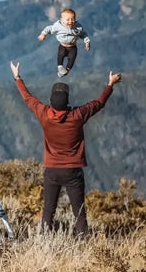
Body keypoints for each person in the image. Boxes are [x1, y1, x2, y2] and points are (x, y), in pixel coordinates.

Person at [9, 61, 122, 237]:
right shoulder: (77, 116)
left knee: (48, 211)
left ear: (51, 101)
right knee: (79, 212)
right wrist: (110, 84)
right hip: (72, 171)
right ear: (67, 101)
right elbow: (99, 103)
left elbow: (28, 98)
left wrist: (17, 77)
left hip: (52, 170)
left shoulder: (45, 114)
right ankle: (83, 242)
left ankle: (45, 242)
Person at [38, 8, 91, 78]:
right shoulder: (58, 26)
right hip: (63, 45)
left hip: (72, 47)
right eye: (68, 20)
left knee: (72, 59)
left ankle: (66, 71)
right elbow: (49, 28)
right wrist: (43, 34)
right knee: (61, 54)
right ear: (62, 20)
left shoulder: (78, 27)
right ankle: (60, 67)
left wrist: (87, 42)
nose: (70, 21)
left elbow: (83, 34)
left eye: (72, 19)